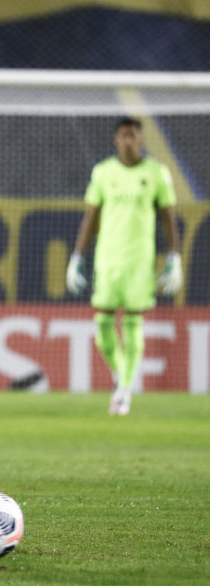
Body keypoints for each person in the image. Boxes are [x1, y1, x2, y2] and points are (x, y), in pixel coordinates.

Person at [66, 116, 181, 415]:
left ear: (141, 139)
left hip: (139, 261)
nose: (128, 140)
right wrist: (77, 257)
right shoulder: (103, 172)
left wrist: (174, 257)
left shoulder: (156, 173)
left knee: (133, 322)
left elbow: (168, 218)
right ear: (116, 139)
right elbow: (91, 217)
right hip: (107, 259)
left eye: (133, 135)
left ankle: (124, 391)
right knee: (102, 324)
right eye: (123, 135)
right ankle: (122, 374)